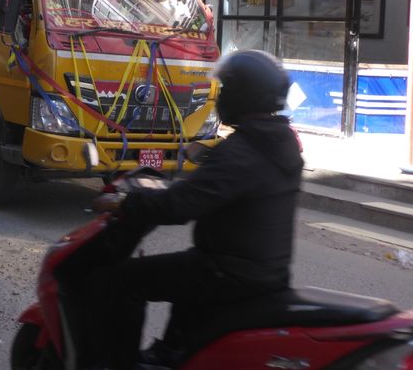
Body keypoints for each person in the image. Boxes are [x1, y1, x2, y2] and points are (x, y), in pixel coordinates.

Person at [87, 49, 303, 370]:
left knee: (125, 279)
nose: (221, 97)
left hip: (230, 271)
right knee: (188, 264)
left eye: (227, 89)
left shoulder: (243, 151)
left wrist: (125, 201)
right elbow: (207, 189)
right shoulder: (278, 140)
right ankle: (172, 350)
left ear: (243, 95)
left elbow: (181, 205)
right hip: (261, 270)